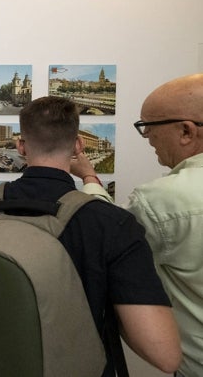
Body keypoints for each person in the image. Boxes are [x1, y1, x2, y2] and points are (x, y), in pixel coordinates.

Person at [0, 96, 181, 376]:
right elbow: (165, 355)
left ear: (21, 146)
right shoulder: (111, 223)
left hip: (1, 363)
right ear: (78, 146)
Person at [72, 73, 203, 377]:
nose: (148, 139)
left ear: (186, 131)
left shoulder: (165, 199)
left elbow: (112, 241)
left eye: (148, 127)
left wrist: (89, 178)